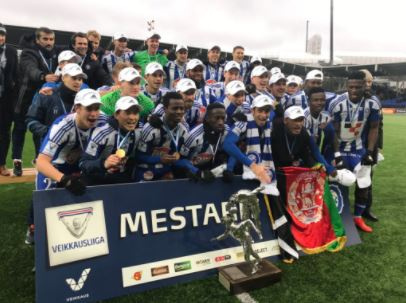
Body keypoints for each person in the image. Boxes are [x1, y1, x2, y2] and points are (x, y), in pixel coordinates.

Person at [223, 94, 299, 262]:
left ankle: (286, 248)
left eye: (267, 111)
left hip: (265, 171)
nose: (264, 115)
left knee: (275, 206)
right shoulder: (243, 122)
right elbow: (228, 144)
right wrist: (250, 166)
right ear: (253, 110)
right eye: (261, 111)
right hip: (242, 171)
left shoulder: (269, 123)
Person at [25, 89, 103, 244]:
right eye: (89, 109)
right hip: (54, 168)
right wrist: (64, 180)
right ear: (77, 108)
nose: (94, 114)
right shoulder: (63, 125)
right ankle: (34, 229)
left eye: (96, 108)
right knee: (45, 206)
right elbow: (41, 162)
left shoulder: (102, 121)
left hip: (77, 166)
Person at [330, 71, 380, 232]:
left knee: (364, 182)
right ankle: (334, 217)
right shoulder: (337, 103)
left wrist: (370, 151)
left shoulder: (372, 103)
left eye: (358, 87)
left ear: (364, 85)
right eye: (351, 87)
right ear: (346, 86)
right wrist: (337, 155)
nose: (354, 90)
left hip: (359, 149)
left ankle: (358, 217)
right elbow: (334, 133)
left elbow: (374, 128)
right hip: (339, 148)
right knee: (336, 181)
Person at [12, 27, 59, 176]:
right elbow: (30, 68)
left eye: (51, 39)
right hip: (25, 98)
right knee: (20, 129)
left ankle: (40, 159)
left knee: (39, 131)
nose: (48, 42)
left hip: (43, 100)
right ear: (37, 40)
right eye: (45, 39)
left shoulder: (54, 55)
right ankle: (17, 161)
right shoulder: (29, 52)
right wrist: (42, 76)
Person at [136, 92, 198, 181]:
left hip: (167, 169)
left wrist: (195, 170)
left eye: (182, 108)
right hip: (146, 169)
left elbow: (181, 158)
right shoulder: (151, 128)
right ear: (165, 109)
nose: (179, 112)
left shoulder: (184, 129)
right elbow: (139, 156)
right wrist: (159, 159)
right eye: (175, 108)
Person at [80, 96, 142, 184]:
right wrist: (104, 164)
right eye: (127, 113)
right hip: (96, 180)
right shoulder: (102, 133)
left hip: (120, 179)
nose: (132, 117)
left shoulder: (140, 130)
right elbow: (83, 164)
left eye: (135, 113)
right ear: (116, 115)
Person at [26, 63, 87, 144]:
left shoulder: (84, 99)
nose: (78, 82)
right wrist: (51, 133)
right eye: (74, 78)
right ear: (63, 78)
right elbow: (31, 120)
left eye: (80, 79)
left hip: (74, 152)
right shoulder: (46, 95)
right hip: (48, 149)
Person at [271, 105, 335, 176]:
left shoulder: (304, 133)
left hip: (293, 167)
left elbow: (306, 153)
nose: (298, 124)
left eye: (301, 120)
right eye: (295, 120)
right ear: (285, 120)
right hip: (275, 168)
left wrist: (317, 166)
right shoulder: (274, 132)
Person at [180, 102, 228, 178]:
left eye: (223, 118)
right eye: (217, 118)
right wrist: (196, 171)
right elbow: (180, 159)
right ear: (207, 118)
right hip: (192, 173)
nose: (221, 122)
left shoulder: (226, 131)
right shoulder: (193, 136)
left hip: (211, 169)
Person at [359, 69, 382, 222]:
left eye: (370, 82)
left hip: (370, 146)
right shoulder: (348, 97)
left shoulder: (375, 100)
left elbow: (379, 127)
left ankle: (366, 209)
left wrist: (377, 148)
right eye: (365, 81)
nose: (368, 84)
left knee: (368, 180)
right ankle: (345, 211)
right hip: (351, 145)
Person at [0, 24, 18, 176]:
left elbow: (16, 74)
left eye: (2, 34)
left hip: (5, 99)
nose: (0, 37)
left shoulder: (11, 51)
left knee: (5, 132)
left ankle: (1, 164)